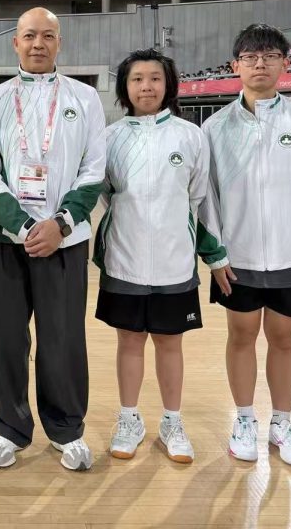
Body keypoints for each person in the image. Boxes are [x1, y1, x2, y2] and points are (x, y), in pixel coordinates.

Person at [0, 7, 106, 472]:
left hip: (65, 241)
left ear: (59, 42)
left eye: (48, 36)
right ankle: (10, 427)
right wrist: (27, 228)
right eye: (29, 35)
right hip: (11, 242)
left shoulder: (85, 98)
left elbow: (94, 169)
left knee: (63, 339)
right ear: (15, 42)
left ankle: (67, 428)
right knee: (7, 338)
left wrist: (60, 224)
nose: (38, 44)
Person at [202, 23, 291, 468]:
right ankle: (244, 419)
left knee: (283, 338)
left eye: (270, 56)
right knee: (240, 336)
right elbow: (207, 196)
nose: (260, 64)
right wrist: (215, 253)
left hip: (290, 256)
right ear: (235, 65)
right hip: (236, 257)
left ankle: (282, 423)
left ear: (284, 63)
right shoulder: (215, 127)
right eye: (250, 57)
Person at [94, 49, 230, 464]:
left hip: (175, 263)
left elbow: (199, 198)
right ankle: (129, 419)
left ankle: (172, 421)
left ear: (168, 85)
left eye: (155, 78)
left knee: (170, 343)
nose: (146, 86)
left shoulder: (191, 136)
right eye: (137, 79)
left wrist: (214, 255)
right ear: (125, 87)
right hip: (124, 260)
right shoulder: (110, 138)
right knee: (129, 341)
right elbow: (107, 194)